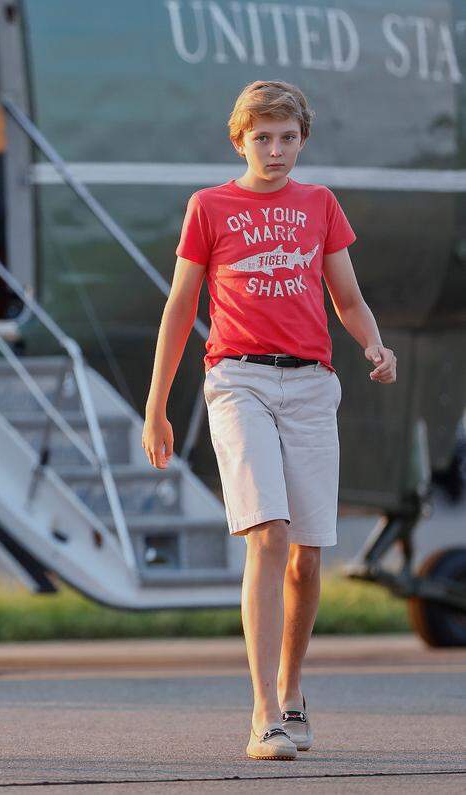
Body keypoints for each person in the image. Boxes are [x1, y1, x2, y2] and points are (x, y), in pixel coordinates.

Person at [141, 80, 396, 761]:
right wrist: (157, 404)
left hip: (313, 384)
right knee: (269, 533)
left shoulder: (320, 206)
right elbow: (178, 307)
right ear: (240, 139)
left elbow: (346, 295)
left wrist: (372, 342)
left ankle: (291, 688)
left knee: (308, 555)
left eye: (287, 138)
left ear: (302, 141)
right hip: (238, 379)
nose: (276, 150)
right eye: (263, 138)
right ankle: (262, 714)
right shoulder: (211, 206)